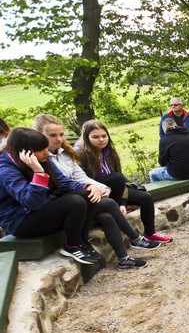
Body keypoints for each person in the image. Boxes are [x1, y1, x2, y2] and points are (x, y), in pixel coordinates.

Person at [33, 114, 157, 268]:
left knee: (107, 215)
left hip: (82, 200)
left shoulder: (65, 153)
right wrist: (93, 189)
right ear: (39, 136)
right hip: (68, 204)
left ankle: (124, 259)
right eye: (52, 135)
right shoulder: (43, 158)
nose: (58, 139)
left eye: (61, 134)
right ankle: (136, 239)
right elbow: (62, 186)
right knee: (110, 204)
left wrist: (102, 188)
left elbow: (81, 176)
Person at [0, 128, 101, 264]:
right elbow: (31, 202)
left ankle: (81, 241)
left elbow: (64, 184)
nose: (47, 152)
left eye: (45, 148)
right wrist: (38, 173)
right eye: (41, 150)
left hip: (43, 209)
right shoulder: (5, 169)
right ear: (25, 153)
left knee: (86, 193)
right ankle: (72, 246)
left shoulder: (42, 158)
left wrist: (88, 186)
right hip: (21, 222)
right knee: (75, 202)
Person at [78, 120, 173, 244]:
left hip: (115, 191)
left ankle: (151, 233)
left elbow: (120, 181)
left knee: (146, 198)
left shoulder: (109, 152)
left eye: (104, 136)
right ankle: (116, 212)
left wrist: (123, 202)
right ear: (86, 137)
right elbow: (81, 180)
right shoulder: (81, 155)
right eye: (95, 137)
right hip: (97, 194)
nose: (101, 140)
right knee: (117, 177)